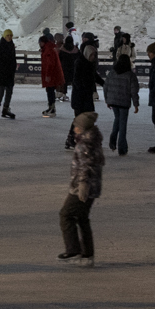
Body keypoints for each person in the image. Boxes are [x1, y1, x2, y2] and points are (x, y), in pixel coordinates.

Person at [58, 111, 102, 265]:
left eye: (76, 126)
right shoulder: (92, 141)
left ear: (82, 128)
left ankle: (73, 250)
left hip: (82, 187)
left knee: (66, 215)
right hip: (93, 187)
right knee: (82, 218)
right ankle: (87, 254)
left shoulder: (84, 144)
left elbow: (85, 166)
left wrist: (82, 184)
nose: (74, 129)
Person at [101, 52, 140, 156]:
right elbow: (134, 91)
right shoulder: (130, 75)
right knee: (122, 125)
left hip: (113, 101)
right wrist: (136, 104)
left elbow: (106, 87)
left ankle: (113, 140)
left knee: (117, 119)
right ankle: (122, 148)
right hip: (124, 103)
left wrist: (107, 100)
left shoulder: (112, 73)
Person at [0, 30, 17, 120]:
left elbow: (13, 59)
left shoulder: (12, 46)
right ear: (4, 36)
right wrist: (1, 65)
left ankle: (6, 108)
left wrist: (13, 67)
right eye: (8, 35)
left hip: (10, 73)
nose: (9, 37)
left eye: (11, 35)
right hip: (2, 73)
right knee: (0, 92)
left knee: (9, 92)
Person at [38, 31, 65, 116]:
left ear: (42, 42)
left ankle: (52, 109)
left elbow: (50, 63)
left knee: (50, 91)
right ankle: (51, 107)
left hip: (51, 75)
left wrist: (48, 75)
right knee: (50, 91)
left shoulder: (48, 50)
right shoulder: (48, 49)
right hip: (52, 74)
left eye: (39, 43)